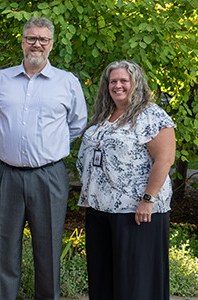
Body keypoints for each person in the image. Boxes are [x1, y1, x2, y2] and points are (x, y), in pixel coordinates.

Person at [0, 16, 88, 300]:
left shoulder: (66, 82)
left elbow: (78, 123)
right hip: (7, 174)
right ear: (22, 41)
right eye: (31, 38)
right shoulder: (1, 79)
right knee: (6, 244)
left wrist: (47, 146)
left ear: (51, 44)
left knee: (49, 246)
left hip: (49, 175)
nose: (37, 44)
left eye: (43, 39)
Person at [78, 60, 175, 299]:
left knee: (134, 282)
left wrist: (147, 200)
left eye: (124, 81)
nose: (117, 85)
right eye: (113, 81)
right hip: (100, 208)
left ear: (136, 84)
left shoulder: (151, 116)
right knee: (103, 279)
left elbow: (165, 159)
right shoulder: (104, 115)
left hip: (137, 211)